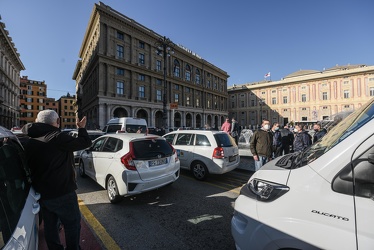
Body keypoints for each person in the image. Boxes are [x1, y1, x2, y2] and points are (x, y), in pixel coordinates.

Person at [22, 110, 92, 250]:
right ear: (58, 121)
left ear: (37, 121)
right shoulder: (57, 137)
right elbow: (85, 142)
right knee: (72, 224)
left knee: (50, 225)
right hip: (63, 192)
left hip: (42, 193)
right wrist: (82, 128)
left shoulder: (28, 140)